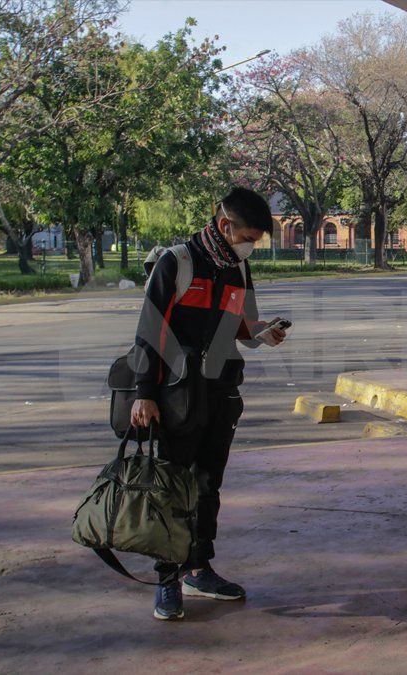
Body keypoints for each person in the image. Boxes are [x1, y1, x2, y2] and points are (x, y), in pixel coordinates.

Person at [128, 187, 287, 620]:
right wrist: (144, 394)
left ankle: (198, 568)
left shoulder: (239, 267)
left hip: (220, 392)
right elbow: (149, 332)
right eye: (249, 235)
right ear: (224, 226)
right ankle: (167, 579)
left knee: (207, 486)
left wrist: (263, 332)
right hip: (176, 395)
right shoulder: (176, 262)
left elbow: (243, 324)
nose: (251, 245)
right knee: (172, 486)